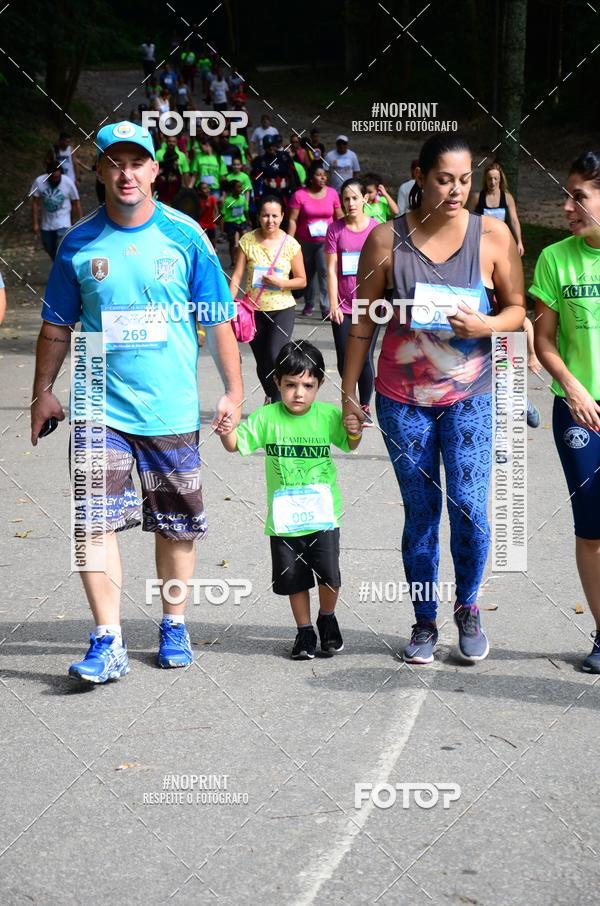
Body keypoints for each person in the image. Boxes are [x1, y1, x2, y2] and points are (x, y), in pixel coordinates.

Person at [30, 120, 242, 684]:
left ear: (154, 170)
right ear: (98, 172)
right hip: (98, 402)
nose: (126, 173)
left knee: (175, 526)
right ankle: (108, 639)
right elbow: (56, 324)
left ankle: (174, 623)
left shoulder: (187, 235)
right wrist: (43, 393)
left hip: (170, 408)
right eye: (114, 163)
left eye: (137, 162)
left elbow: (217, 320)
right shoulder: (79, 241)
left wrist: (234, 390)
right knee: (91, 522)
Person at [341, 133, 525, 665]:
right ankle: (424, 621)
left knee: (469, 507)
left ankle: (467, 607)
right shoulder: (384, 240)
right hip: (402, 398)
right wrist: (353, 395)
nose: (456, 190)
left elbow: (517, 310)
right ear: (418, 176)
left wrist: (487, 322)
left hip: (471, 394)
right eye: (445, 179)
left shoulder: (492, 236)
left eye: (465, 180)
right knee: (421, 514)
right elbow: (362, 324)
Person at [218, 341, 361, 659]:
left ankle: (327, 618)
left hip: (324, 516)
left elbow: (351, 443)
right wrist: (226, 429)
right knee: (294, 580)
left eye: (308, 385)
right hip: (284, 521)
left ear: (320, 384)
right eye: (291, 385)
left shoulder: (327, 416)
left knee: (329, 575)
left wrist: (354, 429)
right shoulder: (267, 418)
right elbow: (235, 444)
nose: (299, 393)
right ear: (277, 383)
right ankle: (305, 631)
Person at [530, 150, 600, 673]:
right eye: (568, 194)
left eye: (580, 195)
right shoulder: (556, 258)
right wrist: (573, 388)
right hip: (579, 410)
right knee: (592, 530)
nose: (568, 205)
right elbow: (545, 342)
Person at [230, 195, 306, 402]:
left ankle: (278, 401)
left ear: (282, 217)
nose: (269, 220)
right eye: (265, 215)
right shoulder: (247, 241)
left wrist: (282, 283)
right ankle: (271, 396)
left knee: (275, 355)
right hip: (252, 311)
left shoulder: (291, 244)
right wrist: (229, 306)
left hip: (282, 308)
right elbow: (237, 275)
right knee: (262, 361)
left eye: (274, 216)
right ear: (259, 216)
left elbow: (301, 280)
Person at [325, 178, 378, 416]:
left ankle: (364, 404)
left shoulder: (376, 229)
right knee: (344, 358)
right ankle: (350, 400)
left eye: (355, 197)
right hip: (343, 306)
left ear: (365, 199)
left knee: (364, 356)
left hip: (369, 306)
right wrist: (333, 303)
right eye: (346, 199)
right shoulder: (335, 229)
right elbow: (331, 269)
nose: (351, 203)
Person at [288, 161, 343, 318]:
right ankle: (309, 303)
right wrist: (288, 241)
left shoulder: (332, 193)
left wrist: (345, 234)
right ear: (311, 178)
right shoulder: (299, 195)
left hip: (326, 241)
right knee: (307, 273)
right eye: (318, 175)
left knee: (325, 272)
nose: (322, 178)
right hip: (305, 241)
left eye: (324, 175)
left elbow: (339, 216)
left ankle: (325, 306)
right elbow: (293, 219)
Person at [468, 160, 524, 256]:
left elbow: (514, 221)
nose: (493, 182)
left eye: (495, 178)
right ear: (485, 180)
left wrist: (519, 242)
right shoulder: (477, 198)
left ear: (500, 179)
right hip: (482, 241)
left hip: (501, 240)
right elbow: (468, 220)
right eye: (490, 179)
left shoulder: (507, 198)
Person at [31, 159, 82, 261]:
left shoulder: (68, 182)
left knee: (61, 250)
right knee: (49, 248)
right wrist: (35, 223)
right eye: (53, 177)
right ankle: (57, 267)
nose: (56, 179)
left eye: (58, 177)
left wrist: (79, 221)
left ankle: (62, 271)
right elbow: (35, 203)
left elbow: (76, 203)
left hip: (64, 223)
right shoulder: (39, 182)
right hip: (46, 225)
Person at [250, 134, 298, 207]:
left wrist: (297, 190)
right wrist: (257, 197)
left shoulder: (285, 157)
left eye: (272, 145)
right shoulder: (260, 161)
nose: (271, 148)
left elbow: (294, 174)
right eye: (268, 146)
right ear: (264, 147)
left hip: (286, 193)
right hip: (269, 194)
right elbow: (256, 180)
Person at [220, 179, 250, 266]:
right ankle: (233, 261)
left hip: (241, 221)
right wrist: (222, 230)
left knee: (245, 239)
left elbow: (246, 211)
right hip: (231, 223)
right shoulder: (228, 201)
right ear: (232, 189)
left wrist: (248, 220)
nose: (241, 189)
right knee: (232, 243)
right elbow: (223, 214)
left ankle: (245, 259)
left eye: (241, 187)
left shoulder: (242, 199)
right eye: (238, 187)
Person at [196, 181, 220, 247]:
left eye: (207, 188)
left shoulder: (212, 198)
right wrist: (204, 209)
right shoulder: (197, 200)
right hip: (201, 225)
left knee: (213, 243)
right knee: (203, 243)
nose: (207, 190)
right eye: (204, 189)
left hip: (211, 224)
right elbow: (197, 214)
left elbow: (216, 210)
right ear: (199, 191)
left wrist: (216, 219)